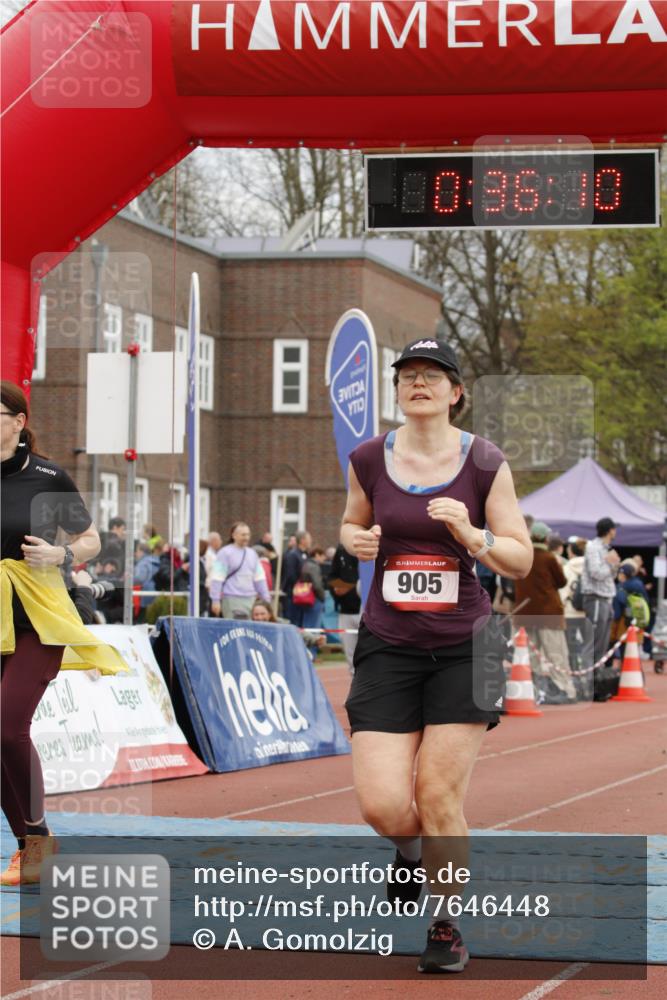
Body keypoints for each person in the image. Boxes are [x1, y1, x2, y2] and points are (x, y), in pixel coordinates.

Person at [341, 339, 532, 974]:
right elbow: (348, 523)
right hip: (389, 644)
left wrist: (472, 534)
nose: (417, 383)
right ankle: (411, 852)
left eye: (432, 376)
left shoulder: (484, 461)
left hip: (465, 646)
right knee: (383, 805)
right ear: (398, 390)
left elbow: (520, 557)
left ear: (455, 392)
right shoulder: (369, 457)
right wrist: (359, 542)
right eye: (408, 376)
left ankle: (445, 924)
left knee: (438, 793)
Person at [0, 382, 126, 886]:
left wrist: (63, 555)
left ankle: (37, 838)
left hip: (38, 614)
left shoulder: (47, 477)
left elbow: (90, 538)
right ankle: (31, 846)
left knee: (7, 727)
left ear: (18, 421)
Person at [513, 522, 577, 704]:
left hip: (525, 611)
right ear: (545, 538)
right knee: (556, 653)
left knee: (529, 655)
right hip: (548, 612)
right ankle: (565, 689)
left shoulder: (522, 556)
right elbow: (562, 581)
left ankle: (532, 690)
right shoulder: (549, 558)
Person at [209, 522, 271, 619]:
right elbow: (217, 578)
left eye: (248, 534)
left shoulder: (253, 554)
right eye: (243, 535)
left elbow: (259, 578)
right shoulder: (224, 553)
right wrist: (215, 600)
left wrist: (266, 599)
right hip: (231, 599)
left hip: (251, 599)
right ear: (234, 535)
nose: (246, 537)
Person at [581, 517, 620, 667]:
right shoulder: (593, 547)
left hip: (606, 597)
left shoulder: (607, 548)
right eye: (614, 529)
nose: (615, 532)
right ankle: (586, 678)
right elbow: (595, 573)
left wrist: (615, 566)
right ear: (610, 530)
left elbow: (610, 575)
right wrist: (610, 564)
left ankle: (597, 677)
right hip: (596, 597)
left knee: (603, 642)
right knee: (593, 640)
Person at [327, 543, 362, 673]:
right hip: (346, 610)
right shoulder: (341, 550)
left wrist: (351, 587)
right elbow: (331, 576)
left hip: (367, 610)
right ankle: (354, 684)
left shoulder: (370, 546)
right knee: (350, 654)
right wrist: (336, 588)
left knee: (369, 652)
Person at [281, 530, 312, 625]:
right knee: (293, 622)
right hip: (293, 596)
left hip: (302, 596)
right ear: (302, 540)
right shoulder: (292, 555)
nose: (311, 541)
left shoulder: (306, 555)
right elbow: (290, 575)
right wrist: (300, 587)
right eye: (309, 539)